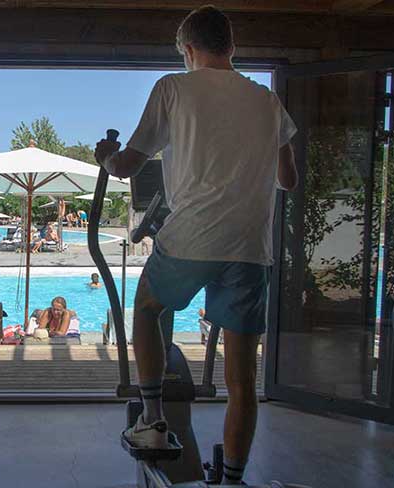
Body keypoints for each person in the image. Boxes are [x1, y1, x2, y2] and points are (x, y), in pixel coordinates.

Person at [93, 6, 297, 485]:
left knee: (146, 309)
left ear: (188, 50)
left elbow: (126, 166)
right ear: (232, 48)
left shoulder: (172, 88)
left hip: (192, 237)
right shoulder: (268, 101)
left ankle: (153, 420)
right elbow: (288, 179)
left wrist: (105, 158)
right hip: (250, 245)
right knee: (243, 378)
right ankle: (232, 478)